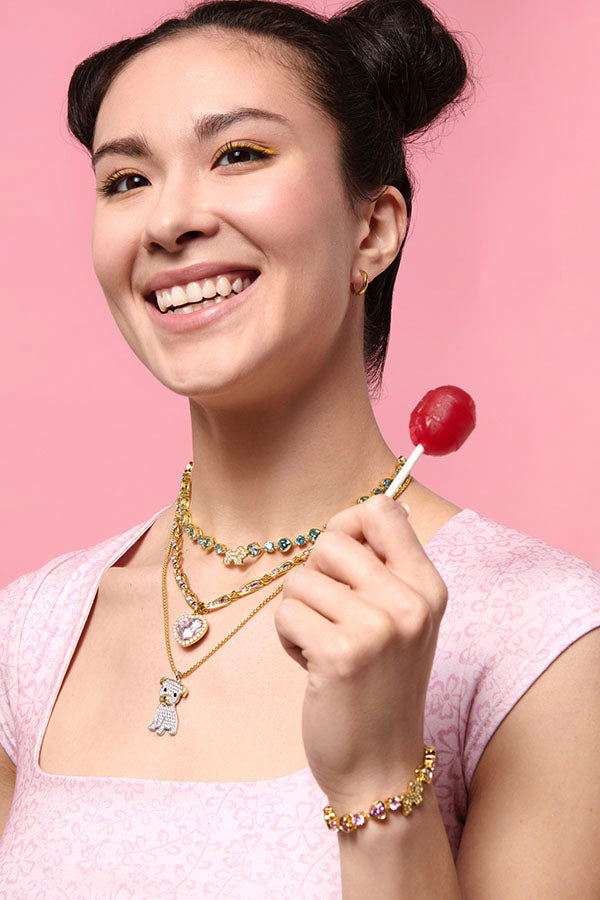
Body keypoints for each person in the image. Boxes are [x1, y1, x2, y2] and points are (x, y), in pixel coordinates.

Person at [0, 0, 598, 896]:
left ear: (373, 229)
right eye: (125, 179)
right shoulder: (29, 635)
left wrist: (377, 779)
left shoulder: (541, 635)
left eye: (238, 154)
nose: (166, 221)